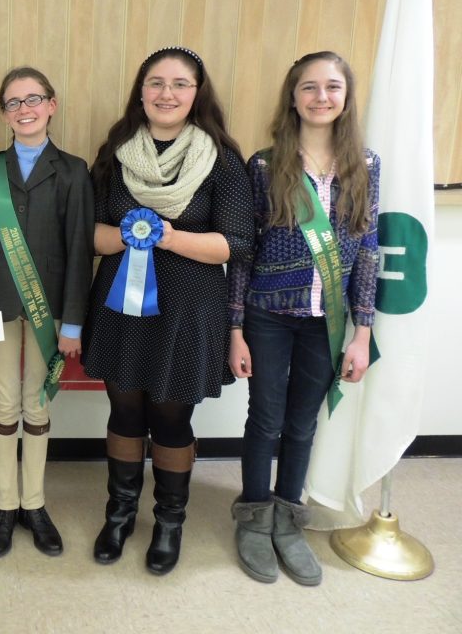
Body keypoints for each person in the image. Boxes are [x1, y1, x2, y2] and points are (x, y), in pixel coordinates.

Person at [83, 46, 254, 574]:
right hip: (120, 306)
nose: (167, 93)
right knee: (126, 412)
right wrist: (129, 238)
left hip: (188, 310)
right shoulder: (115, 152)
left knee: (172, 417)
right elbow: (90, 234)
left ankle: (170, 519)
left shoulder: (222, 158)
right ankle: (120, 512)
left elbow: (235, 243)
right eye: (156, 83)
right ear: (141, 91)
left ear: (196, 94)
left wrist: (167, 237)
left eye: (180, 84)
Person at [228, 51, 379, 586]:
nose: (320, 97)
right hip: (269, 315)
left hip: (328, 321)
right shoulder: (266, 165)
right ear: (292, 97)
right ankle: (252, 517)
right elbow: (245, 252)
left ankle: (288, 518)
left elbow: (367, 251)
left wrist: (362, 332)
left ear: (346, 96)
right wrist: (236, 327)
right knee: (265, 420)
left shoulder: (367, 165)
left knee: (302, 423)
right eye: (309, 87)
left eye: (332, 87)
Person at [0, 67, 93, 558]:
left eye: (33, 98)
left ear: (52, 105)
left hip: (50, 308)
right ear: (3, 113)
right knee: (4, 405)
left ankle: (34, 503)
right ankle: (4, 504)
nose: (25, 109)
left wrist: (73, 323)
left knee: (38, 405)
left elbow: (80, 250)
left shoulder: (74, 170)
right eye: (13, 102)